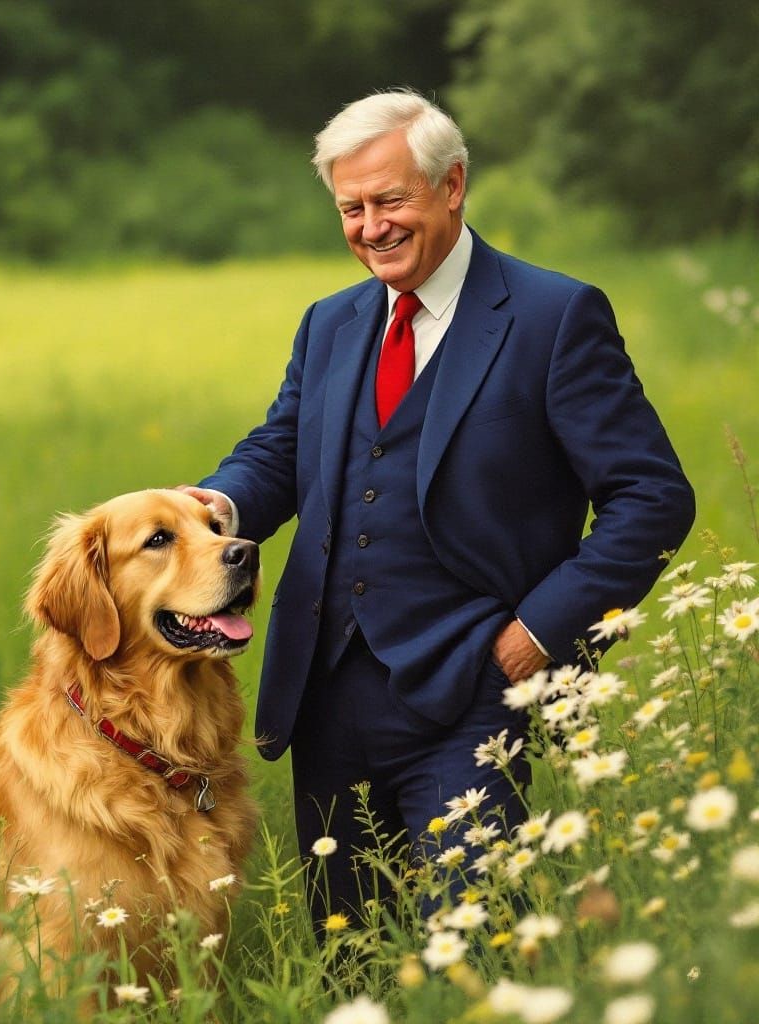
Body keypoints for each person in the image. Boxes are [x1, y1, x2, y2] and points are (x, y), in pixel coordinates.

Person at [181, 89, 694, 929]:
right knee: (352, 954)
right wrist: (214, 503)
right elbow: (285, 449)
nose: (371, 227)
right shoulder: (330, 323)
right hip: (327, 693)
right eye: (351, 208)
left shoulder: (554, 316)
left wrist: (539, 632)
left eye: (391, 200)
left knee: (475, 944)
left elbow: (653, 497)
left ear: (452, 186)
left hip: (479, 696)